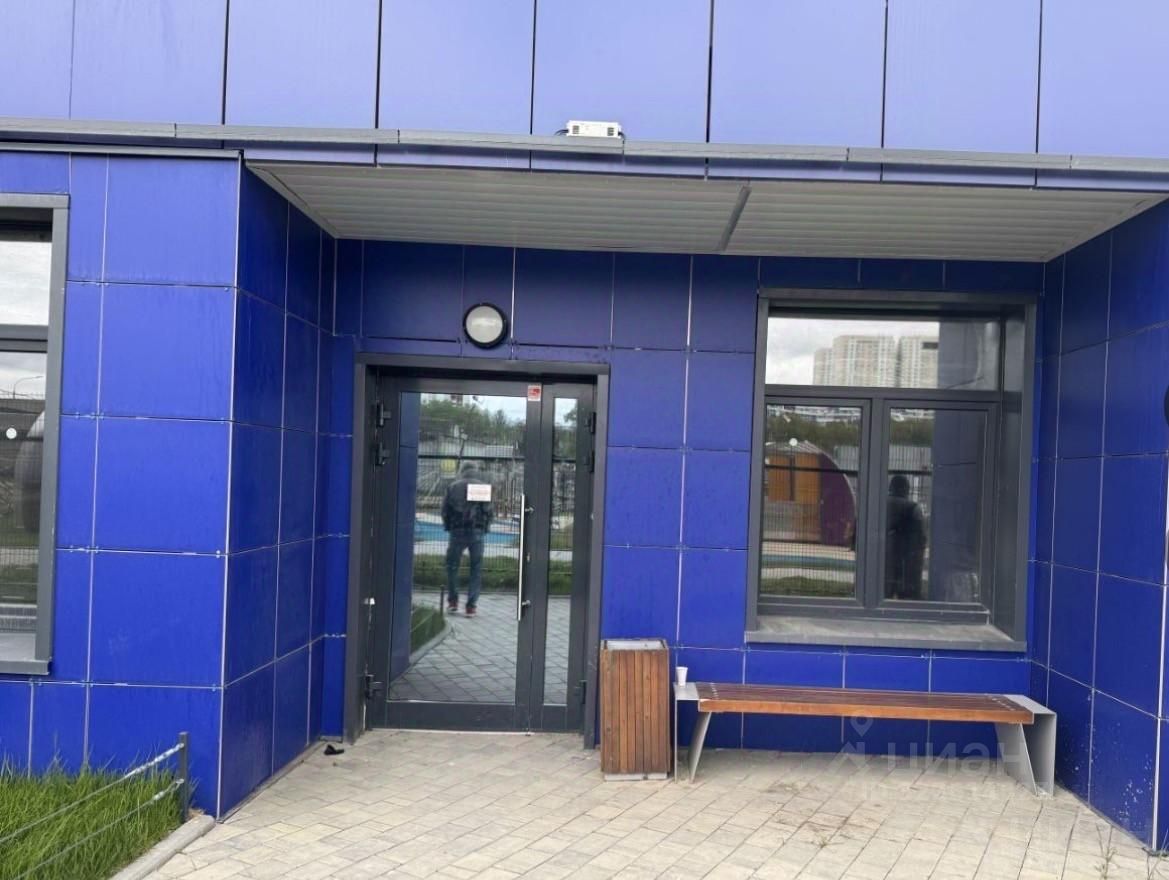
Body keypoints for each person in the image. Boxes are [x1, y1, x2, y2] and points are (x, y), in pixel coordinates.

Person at [441, 461, 494, 616]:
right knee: (476, 568)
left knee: (452, 566)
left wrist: (448, 526)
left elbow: (445, 510)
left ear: (462, 471)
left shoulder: (453, 487)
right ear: (475, 470)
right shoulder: (481, 487)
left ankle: (453, 601)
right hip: (476, 531)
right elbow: (488, 511)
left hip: (457, 531)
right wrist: (485, 528)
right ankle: (471, 606)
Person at [885, 474, 926, 600]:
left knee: (884, 589)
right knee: (907, 593)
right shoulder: (913, 507)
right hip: (906, 556)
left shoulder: (880, 504)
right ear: (906, 489)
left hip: (884, 554)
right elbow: (920, 537)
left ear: (891, 487)